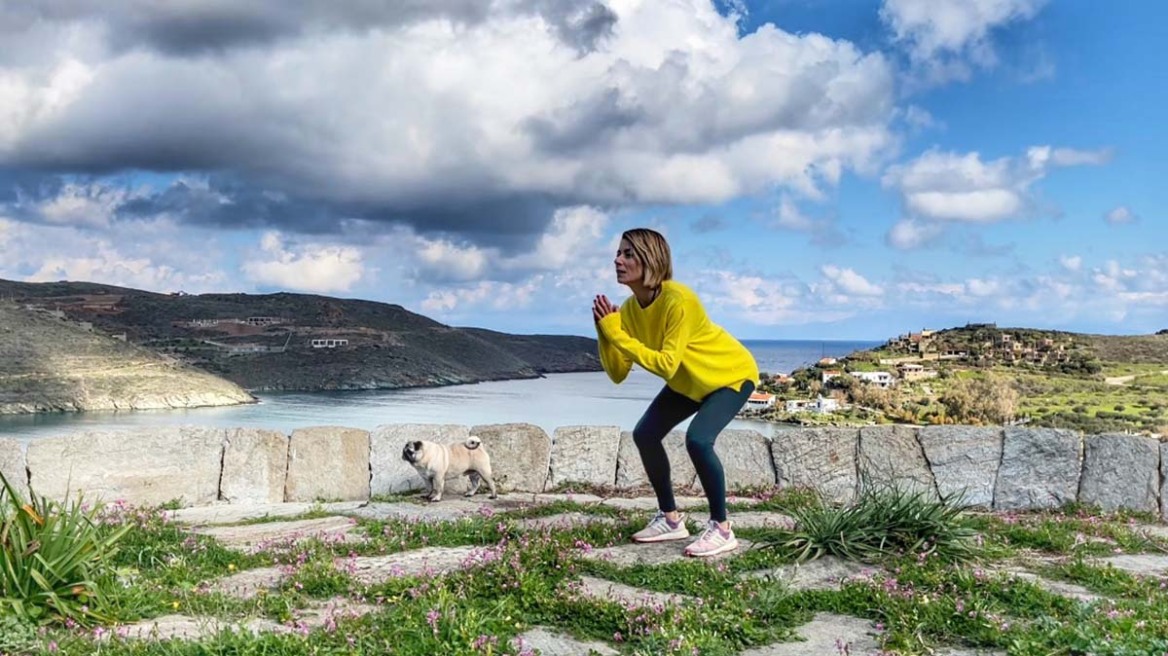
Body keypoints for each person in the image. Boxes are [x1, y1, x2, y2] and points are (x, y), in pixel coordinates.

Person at [592, 228, 759, 558]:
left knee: (698, 439)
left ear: (650, 259)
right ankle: (670, 520)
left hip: (729, 376)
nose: (617, 260)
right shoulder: (627, 311)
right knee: (646, 434)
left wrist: (616, 332)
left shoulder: (677, 299)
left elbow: (667, 364)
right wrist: (605, 332)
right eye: (618, 253)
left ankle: (722, 529)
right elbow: (617, 373)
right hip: (689, 383)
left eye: (627, 253)